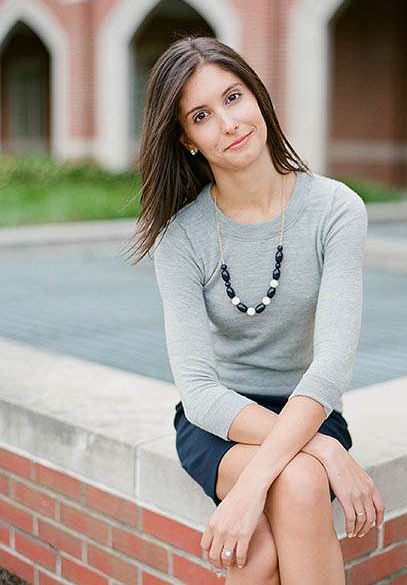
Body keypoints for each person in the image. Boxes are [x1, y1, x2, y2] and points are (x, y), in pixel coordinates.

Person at [129, 36, 384, 585]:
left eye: (233, 97)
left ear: (258, 99)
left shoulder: (336, 209)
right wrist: (322, 451)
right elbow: (198, 389)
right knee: (295, 494)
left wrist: (249, 490)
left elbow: (332, 366)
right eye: (202, 115)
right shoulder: (180, 238)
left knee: (279, 514)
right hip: (220, 420)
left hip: (308, 405)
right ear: (187, 139)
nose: (228, 123)